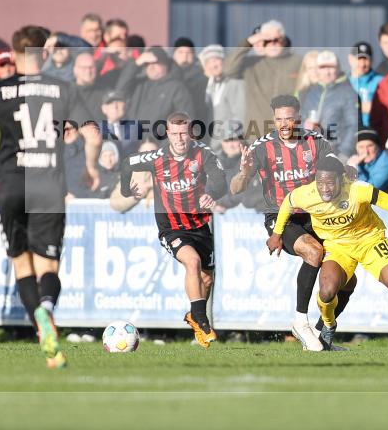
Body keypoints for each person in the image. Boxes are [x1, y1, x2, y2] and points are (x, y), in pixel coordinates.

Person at [0, 26, 101, 369]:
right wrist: (91, 168)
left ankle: (44, 337)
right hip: (47, 182)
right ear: (44, 53)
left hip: (9, 184)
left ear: (16, 52)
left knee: (21, 263)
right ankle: (47, 310)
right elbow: (93, 135)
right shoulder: (62, 89)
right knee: (47, 265)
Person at [270, 156, 388, 352]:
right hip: (338, 246)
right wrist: (276, 234)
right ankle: (329, 325)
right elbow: (287, 204)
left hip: (370, 240)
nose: (324, 188)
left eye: (330, 183)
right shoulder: (306, 194)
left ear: (341, 179)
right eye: (320, 182)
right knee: (326, 291)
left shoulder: (358, 190)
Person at [230, 94, 353, 351]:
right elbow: (235, 189)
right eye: (279, 119)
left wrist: (347, 169)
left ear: (298, 117)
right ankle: (300, 321)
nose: (284, 124)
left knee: (348, 280)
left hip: (316, 215)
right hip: (281, 217)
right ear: (273, 120)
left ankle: (321, 334)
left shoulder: (315, 142)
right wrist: (243, 171)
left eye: (289, 118)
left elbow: (336, 169)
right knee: (313, 251)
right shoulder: (262, 148)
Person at [120, 112, 227, 348]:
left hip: (200, 225)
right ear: (168, 134)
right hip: (171, 228)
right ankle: (200, 318)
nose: (180, 138)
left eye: (184, 133)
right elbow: (127, 163)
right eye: (175, 133)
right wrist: (127, 191)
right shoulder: (157, 157)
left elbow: (221, 179)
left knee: (207, 279)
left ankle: (195, 318)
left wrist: (212, 193)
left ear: (190, 133)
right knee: (192, 262)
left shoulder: (203, 154)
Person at [224, 20, 303, 131]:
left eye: (276, 40)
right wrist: (248, 42)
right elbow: (228, 69)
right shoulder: (252, 64)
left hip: (290, 132)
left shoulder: (299, 62)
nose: (273, 43)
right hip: (257, 132)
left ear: (284, 40)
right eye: (268, 40)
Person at [115, 46, 194, 142]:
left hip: (160, 148)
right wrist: (136, 63)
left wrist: (158, 145)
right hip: (133, 145)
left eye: (156, 63)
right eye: (147, 64)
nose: (151, 66)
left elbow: (184, 124)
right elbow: (120, 90)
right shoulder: (139, 84)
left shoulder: (177, 88)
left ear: (166, 66)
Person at [299, 51, 358, 158]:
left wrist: (344, 154)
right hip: (312, 152)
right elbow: (300, 119)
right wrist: (305, 125)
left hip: (336, 152)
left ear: (338, 68)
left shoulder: (348, 92)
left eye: (331, 67)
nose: (327, 72)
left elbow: (354, 125)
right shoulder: (311, 91)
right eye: (323, 67)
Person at [199, 44, 245, 149]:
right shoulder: (210, 85)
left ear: (224, 61)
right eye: (208, 62)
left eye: (215, 60)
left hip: (229, 145)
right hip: (213, 144)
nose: (212, 65)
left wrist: (227, 138)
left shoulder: (234, 82)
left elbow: (240, 116)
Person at [110, 139, 158, 213]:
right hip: (137, 222)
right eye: (144, 152)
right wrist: (134, 197)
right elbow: (114, 203)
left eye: (152, 152)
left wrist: (152, 193)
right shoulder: (131, 174)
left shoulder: (169, 172)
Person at [346, 127, 388, 193]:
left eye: (370, 146)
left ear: (378, 146)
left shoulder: (386, 164)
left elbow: (366, 191)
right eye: (361, 147)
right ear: (356, 149)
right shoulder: (358, 160)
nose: (366, 151)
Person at [347, 42, 383, 127]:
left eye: (366, 59)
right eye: (359, 59)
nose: (362, 64)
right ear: (350, 59)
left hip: (372, 130)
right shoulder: (344, 83)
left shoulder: (380, 82)